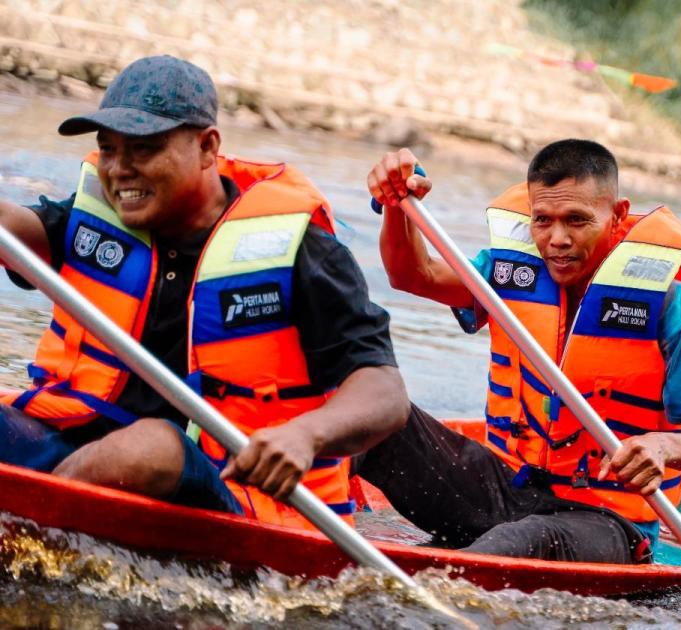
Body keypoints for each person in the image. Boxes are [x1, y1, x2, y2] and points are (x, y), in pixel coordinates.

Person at [0, 56, 408, 528]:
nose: (119, 170)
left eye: (143, 149)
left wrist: (306, 435)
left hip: (234, 482)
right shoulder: (101, 216)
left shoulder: (297, 250)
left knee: (149, 449)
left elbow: (385, 392)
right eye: (108, 149)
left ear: (207, 147)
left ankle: (24, 532)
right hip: (82, 444)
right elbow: (18, 230)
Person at [358, 139, 681, 563]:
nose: (557, 239)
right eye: (543, 220)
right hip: (506, 486)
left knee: (522, 542)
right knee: (369, 418)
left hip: (606, 519)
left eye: (577, 220)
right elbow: (414, 274)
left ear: (618, 214)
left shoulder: (674, 307)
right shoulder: (510, 272)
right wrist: (396, 203)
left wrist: (664, 448)